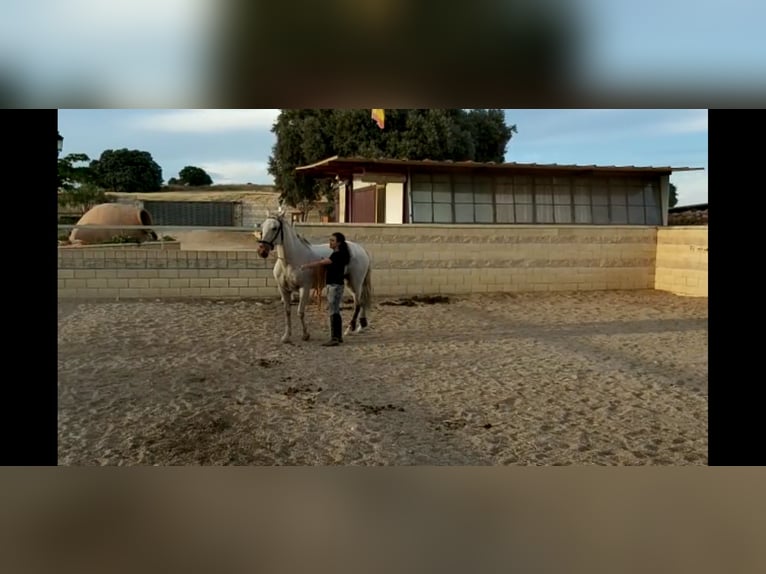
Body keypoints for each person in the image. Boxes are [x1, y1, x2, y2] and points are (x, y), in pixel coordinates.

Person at [300, 232, 350, 346]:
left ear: (338, 243)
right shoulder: (338, 254)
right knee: (335, 311)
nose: (330, 242)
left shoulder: (337, 255)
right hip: (335, 285)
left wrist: (306, 266)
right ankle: (338, 336)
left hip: (334, 286)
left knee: (333, 311)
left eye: (332, 240)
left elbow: (322, 262)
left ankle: (334, 338)